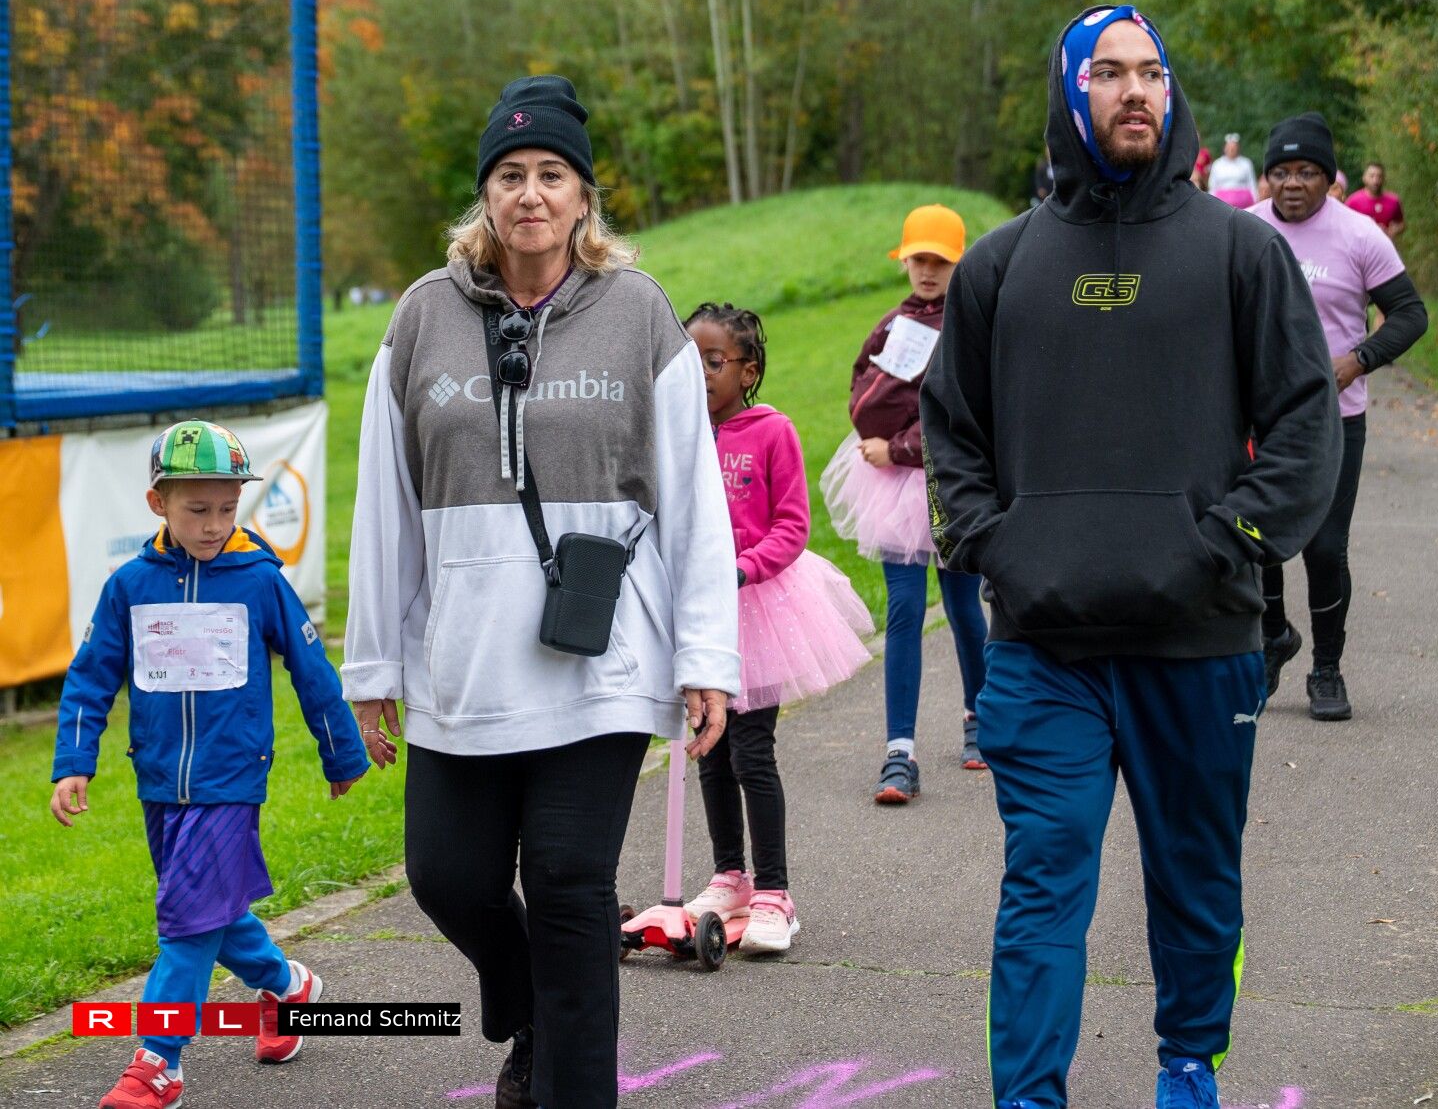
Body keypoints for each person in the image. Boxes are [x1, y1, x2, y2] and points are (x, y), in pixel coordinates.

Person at [921, 5, 1341, 1109]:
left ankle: (1188, 1069)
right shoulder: (1001, 265)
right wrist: (996, 546)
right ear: (1071, 94)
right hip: (1044, 645)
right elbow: (950, 433)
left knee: (1196, 883)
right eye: (1107, 73)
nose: (1135, 90)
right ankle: (1029, 1096)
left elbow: (1305, 426)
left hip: (1199, 639)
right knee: (1042, 885)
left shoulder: (1239, 251)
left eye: (1151, 71)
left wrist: (1226, 543)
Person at [343, 75, 739, 1109]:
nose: (530, 193)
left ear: (582, 196)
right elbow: (385, 505)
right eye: (510, 174)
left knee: (568, 882)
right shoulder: (421, 318)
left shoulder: (639, 313)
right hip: (463, 660)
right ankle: (532, 1014)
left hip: (597, 660)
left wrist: (706, 656)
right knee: (449, 876)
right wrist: (373, 664)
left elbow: (695, 497)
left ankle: (571, 1083)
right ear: (485, 195)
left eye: (551, 174)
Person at [49, 418, 372, 1109]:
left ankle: (158, 1063)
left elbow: (311, 669)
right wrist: (74, 759)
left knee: (188, 920)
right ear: (157, 502)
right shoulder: (129, 585)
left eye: (228, 508)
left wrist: (340, 751)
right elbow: (90, 676)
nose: (215, 524)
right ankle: (288, 986)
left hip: (233, 778)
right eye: (198, 509)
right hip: (159, 779)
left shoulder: (260, 580)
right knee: (207, 910)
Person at [679, 302, 873, 954]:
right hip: (699, 614)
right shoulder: (679, 433)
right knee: (709, 749)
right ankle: (729, 876)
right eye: (689, 361)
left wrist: (743, 568)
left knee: (750, 751)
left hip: (757, 606)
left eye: (713, 361)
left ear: (748, 369)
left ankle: (775, 892)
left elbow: (792, 526)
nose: (700, 373)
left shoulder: (772, 431)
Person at [1248, 113, 1428, 719]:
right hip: (1260, 418)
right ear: (1267, 178)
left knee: (1324, 549)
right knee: (1257, 539)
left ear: (1329, 178)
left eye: (1306, 172)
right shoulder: (1244, 230)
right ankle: (1273, 638)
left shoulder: (1359, 236)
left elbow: (1410, 313)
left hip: (1335, 418)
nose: (1292, 184)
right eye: (1281, 172)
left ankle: (1327, 669)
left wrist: (1358, 361)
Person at [820, 203, 990, 803]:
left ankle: (980, 718)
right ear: (904, 261)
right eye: (919, 259)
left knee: (964, 606)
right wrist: (874, 439)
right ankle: (900, 751)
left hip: (950, 485)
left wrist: (898, 448)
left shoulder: (966, 326)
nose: (927, 270)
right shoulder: (892, 324)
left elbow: (962, 409)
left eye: (939, 261)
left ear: (958, 264)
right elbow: (861, 384)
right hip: (893, 492)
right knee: (905, 610)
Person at [1345, 162, 1405, 239]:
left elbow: (1401, 223)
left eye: (1379, 176)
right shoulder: (1353, 201)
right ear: (1364, 178)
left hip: (1384, 244)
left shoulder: (1394, 201)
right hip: (1361, 245)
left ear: (1384, 179)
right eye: (1372, 176)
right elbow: (1344, 224)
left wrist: (1394, 230)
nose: (1375, 180)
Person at [1207, 132, 1257, 208]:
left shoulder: (1246, 163)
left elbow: (1252, 183)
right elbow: (1212, 185)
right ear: (1224, 148)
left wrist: (1255, 199)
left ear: (1238, 148)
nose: (1231, 150)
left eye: (1234, 148)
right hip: (1222, 204)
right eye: (1229, 147)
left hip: (1244, 204)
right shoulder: (1217, 164)